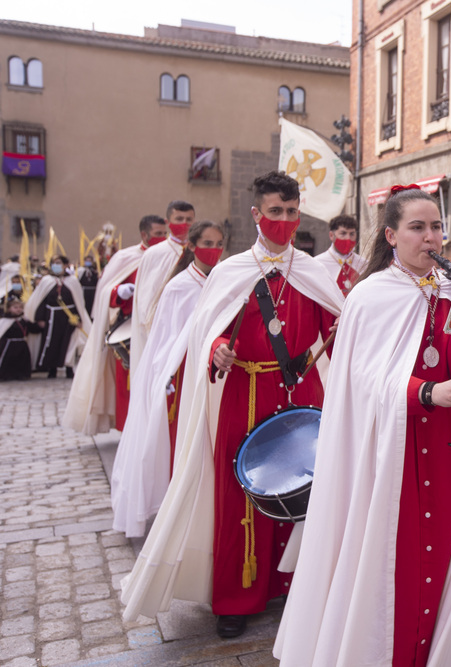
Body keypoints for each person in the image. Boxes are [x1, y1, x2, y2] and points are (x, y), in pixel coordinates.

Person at [274, 187, 451, 666]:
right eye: (417, 227)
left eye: (436, 228)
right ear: (391, 235)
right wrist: (428, 392)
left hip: (447, 453)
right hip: (389, 454)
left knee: (439, 568)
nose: (430, 237)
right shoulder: (371, 296)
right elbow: (359, 380)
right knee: (395, 565)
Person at [120, 172, 343, 640]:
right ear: (256, 214)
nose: (283, 221)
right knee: (240, 495)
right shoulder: (232, 270)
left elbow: (337, 328)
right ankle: (236, 598)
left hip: (301, 392)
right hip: (245, 393)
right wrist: (216, 347)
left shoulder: (312, 272)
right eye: (275, 212)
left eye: (291, 212)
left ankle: (293, 587)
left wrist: (348, 331)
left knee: (307, 491)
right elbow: (208, 329)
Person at [111, 220, 225, 538]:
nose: (213, 251)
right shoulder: (178, 287)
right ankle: (175, 511)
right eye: (207, 243)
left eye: (218, 244)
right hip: (181, 375)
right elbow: (163, 339)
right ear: (192, 246)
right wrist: (166, 377)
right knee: (178, 445)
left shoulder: (223, 281)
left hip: (216, 374)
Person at [64, 215, 168, 435]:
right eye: (158, 234)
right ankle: (130, 431)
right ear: (144, 234)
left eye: (164, 233)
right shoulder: (127, 257)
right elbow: (105, 292)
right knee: (129, 384)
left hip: (162, 328)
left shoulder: (170, 257)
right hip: (131, 329)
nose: (162, 238)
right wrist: (117, 293)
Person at [132, 200, 196, 372]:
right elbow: (145, 300)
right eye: (179, 219)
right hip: (161, 331)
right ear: (168, 222)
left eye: (189, 219)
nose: (184, 224)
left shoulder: (200, 253)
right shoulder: (154, 254)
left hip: (191, 331)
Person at [24, 255, 91, 378]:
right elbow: (41, 300)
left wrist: (79, 318)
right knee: (51, 342)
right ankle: (52, 368)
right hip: (51, 316)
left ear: (65, 265)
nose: (56, 265)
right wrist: (40, 318)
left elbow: (78, 302)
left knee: (70, 342)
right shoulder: (46, 281)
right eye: (54, 263)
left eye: (59, 263)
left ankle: (69, 368)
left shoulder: (73, 281)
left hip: (69, 317)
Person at [315, 214, 368, 296]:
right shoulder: (318, 263)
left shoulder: (364, 264)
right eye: (343, 233)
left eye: (352, 234)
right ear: (331, 235)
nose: (348, 238)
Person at [0, 297, 45, 381]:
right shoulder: (4, 321)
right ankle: (6, 375)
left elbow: (33, 329)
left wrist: (40, 326)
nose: (18, 310)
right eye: (15, 308)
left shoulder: (24, 320)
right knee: (8, 361)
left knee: (22, 361)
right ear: (9, 309)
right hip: (9, 345)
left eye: (20, 308)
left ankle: (21, 375)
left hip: (22, 344)